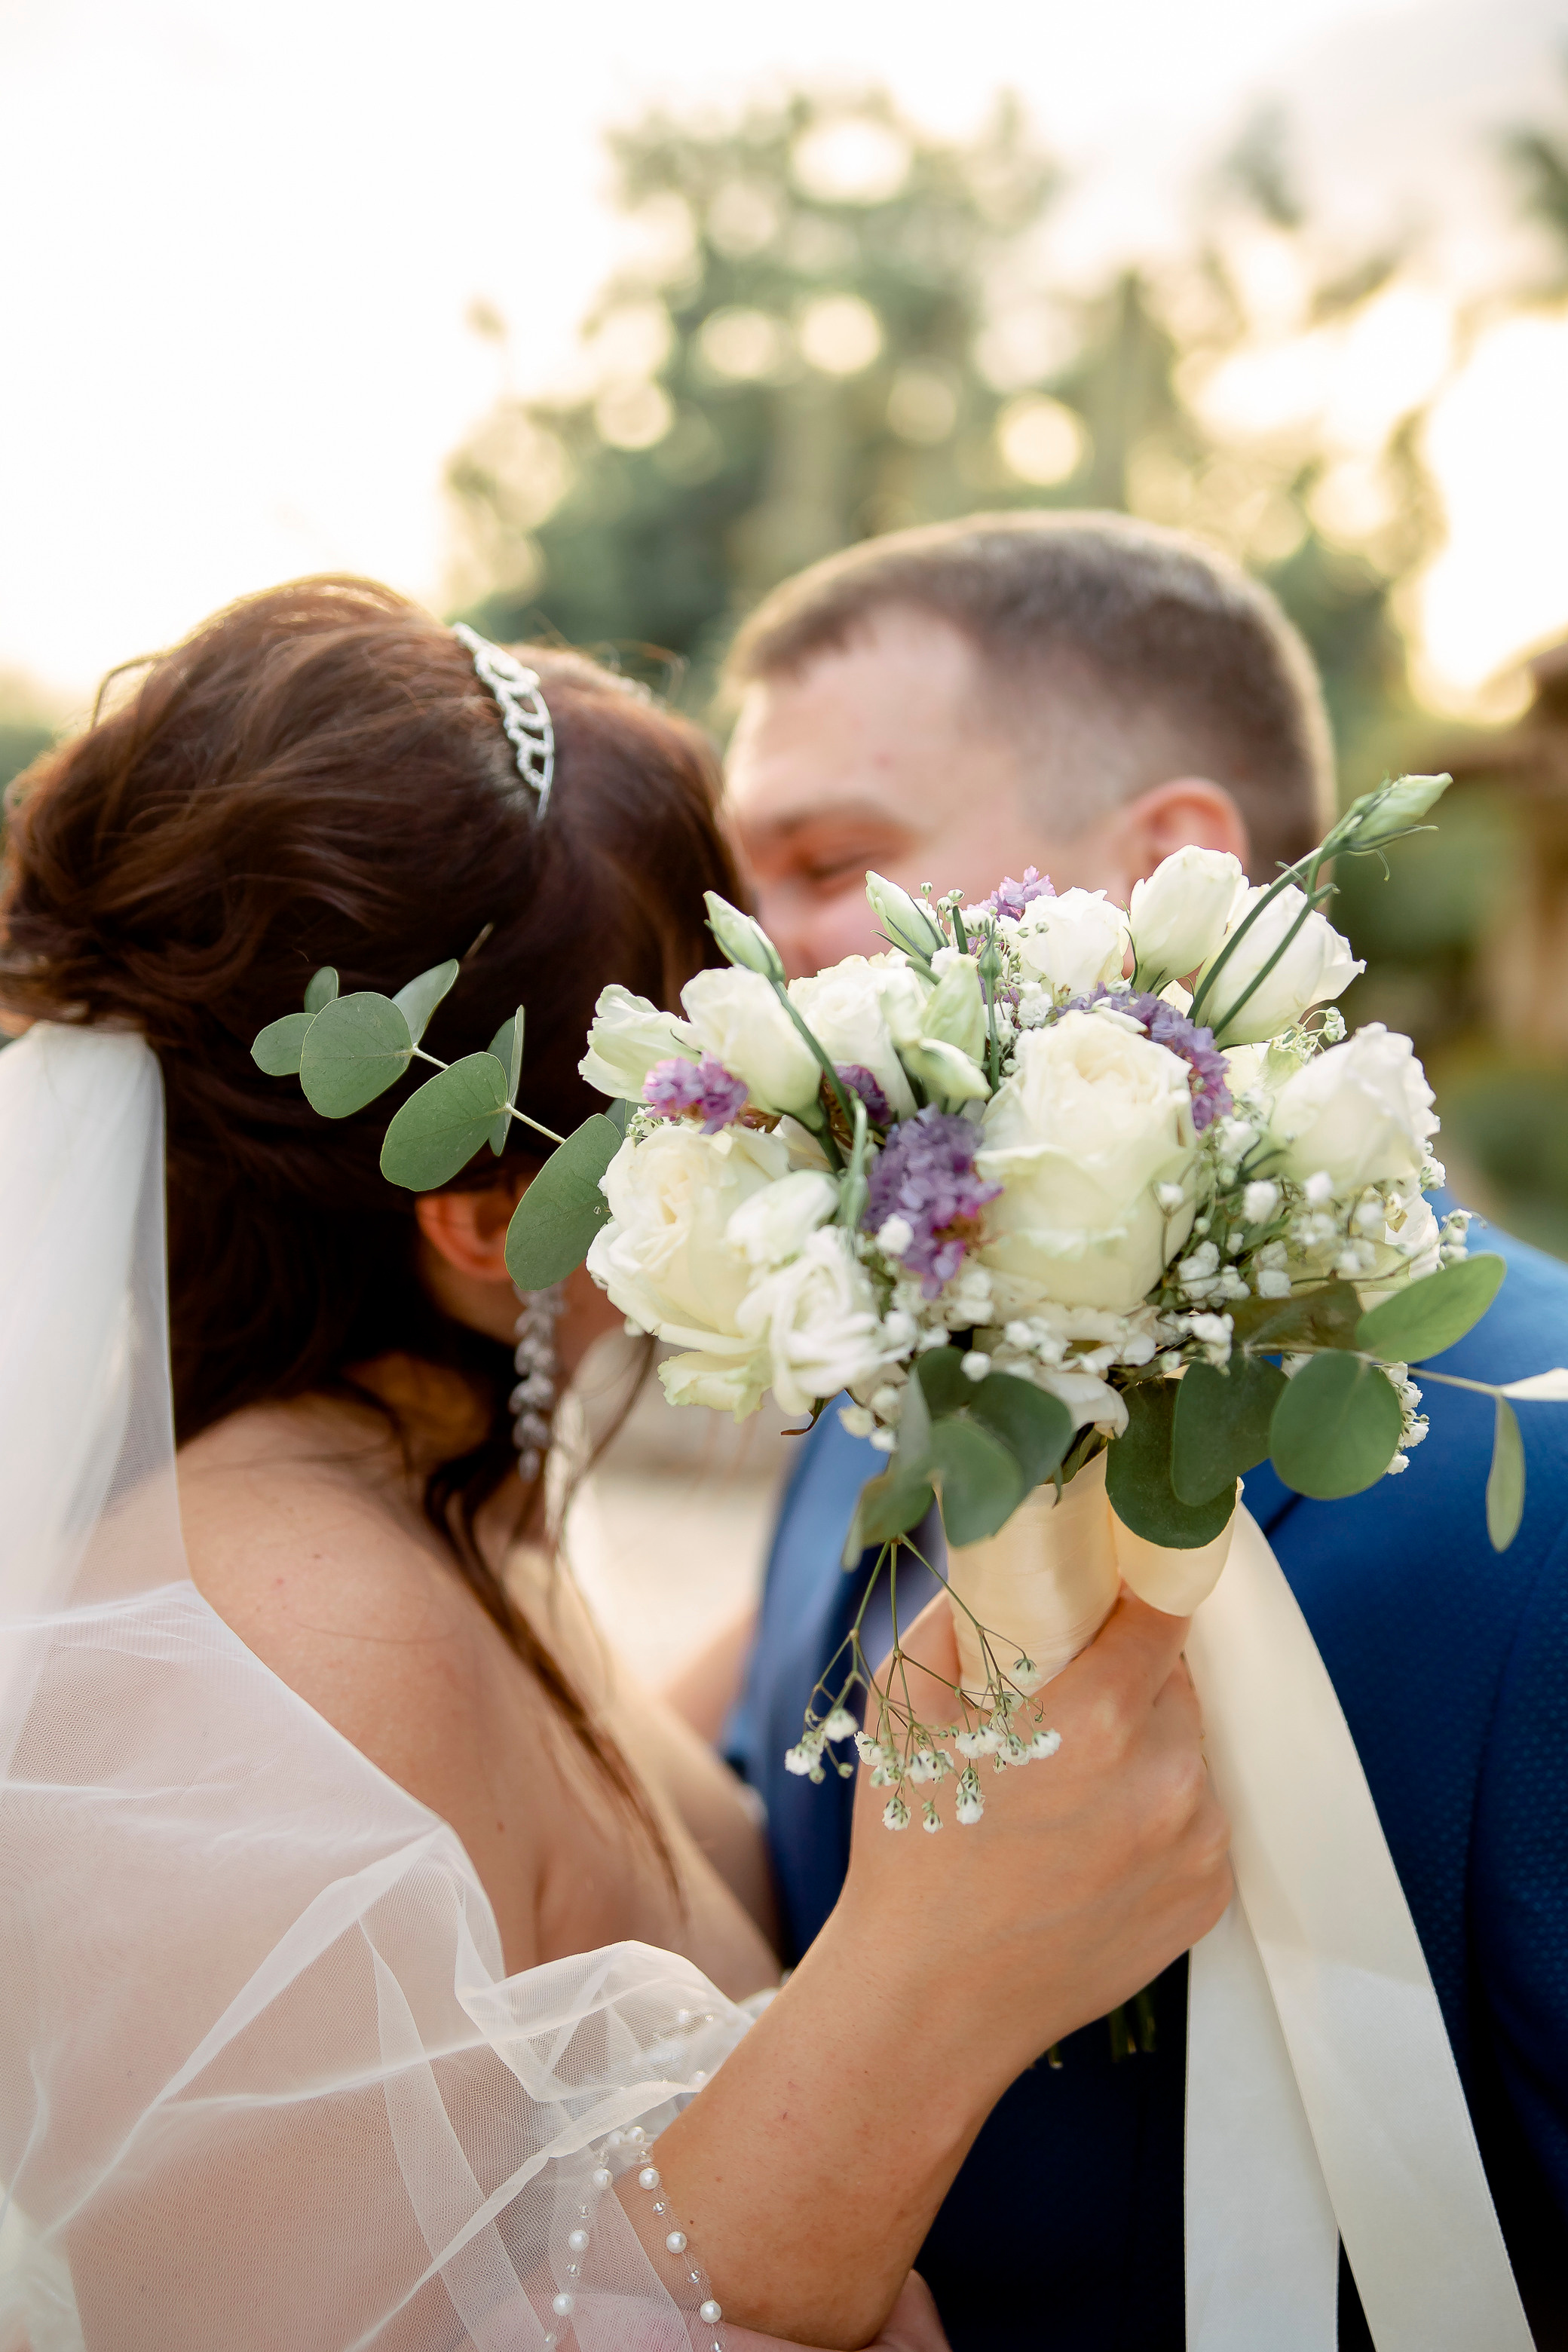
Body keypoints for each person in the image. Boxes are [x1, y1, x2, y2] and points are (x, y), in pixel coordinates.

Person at [0, 577, 1230, 2352]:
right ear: (490, 1213)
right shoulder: (287, 1638)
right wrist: (929, 1985)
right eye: (702, 1081)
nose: (790, 1109)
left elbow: (590, 1861)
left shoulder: (424, 1508)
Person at [714, 513, 1568, 2348]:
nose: (754, 955)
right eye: (738, 882)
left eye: (832, 861)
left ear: (1169, 866)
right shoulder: (883, 1364)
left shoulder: (1547, 1479)